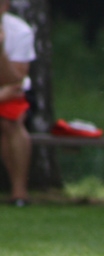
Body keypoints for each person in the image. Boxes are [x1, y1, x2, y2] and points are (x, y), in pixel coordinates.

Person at [0, 0, 35, 207]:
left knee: (10, 122)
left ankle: (19, 191)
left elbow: (15, 79)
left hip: (10, 93)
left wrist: (1, 50)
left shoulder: (20, 31)